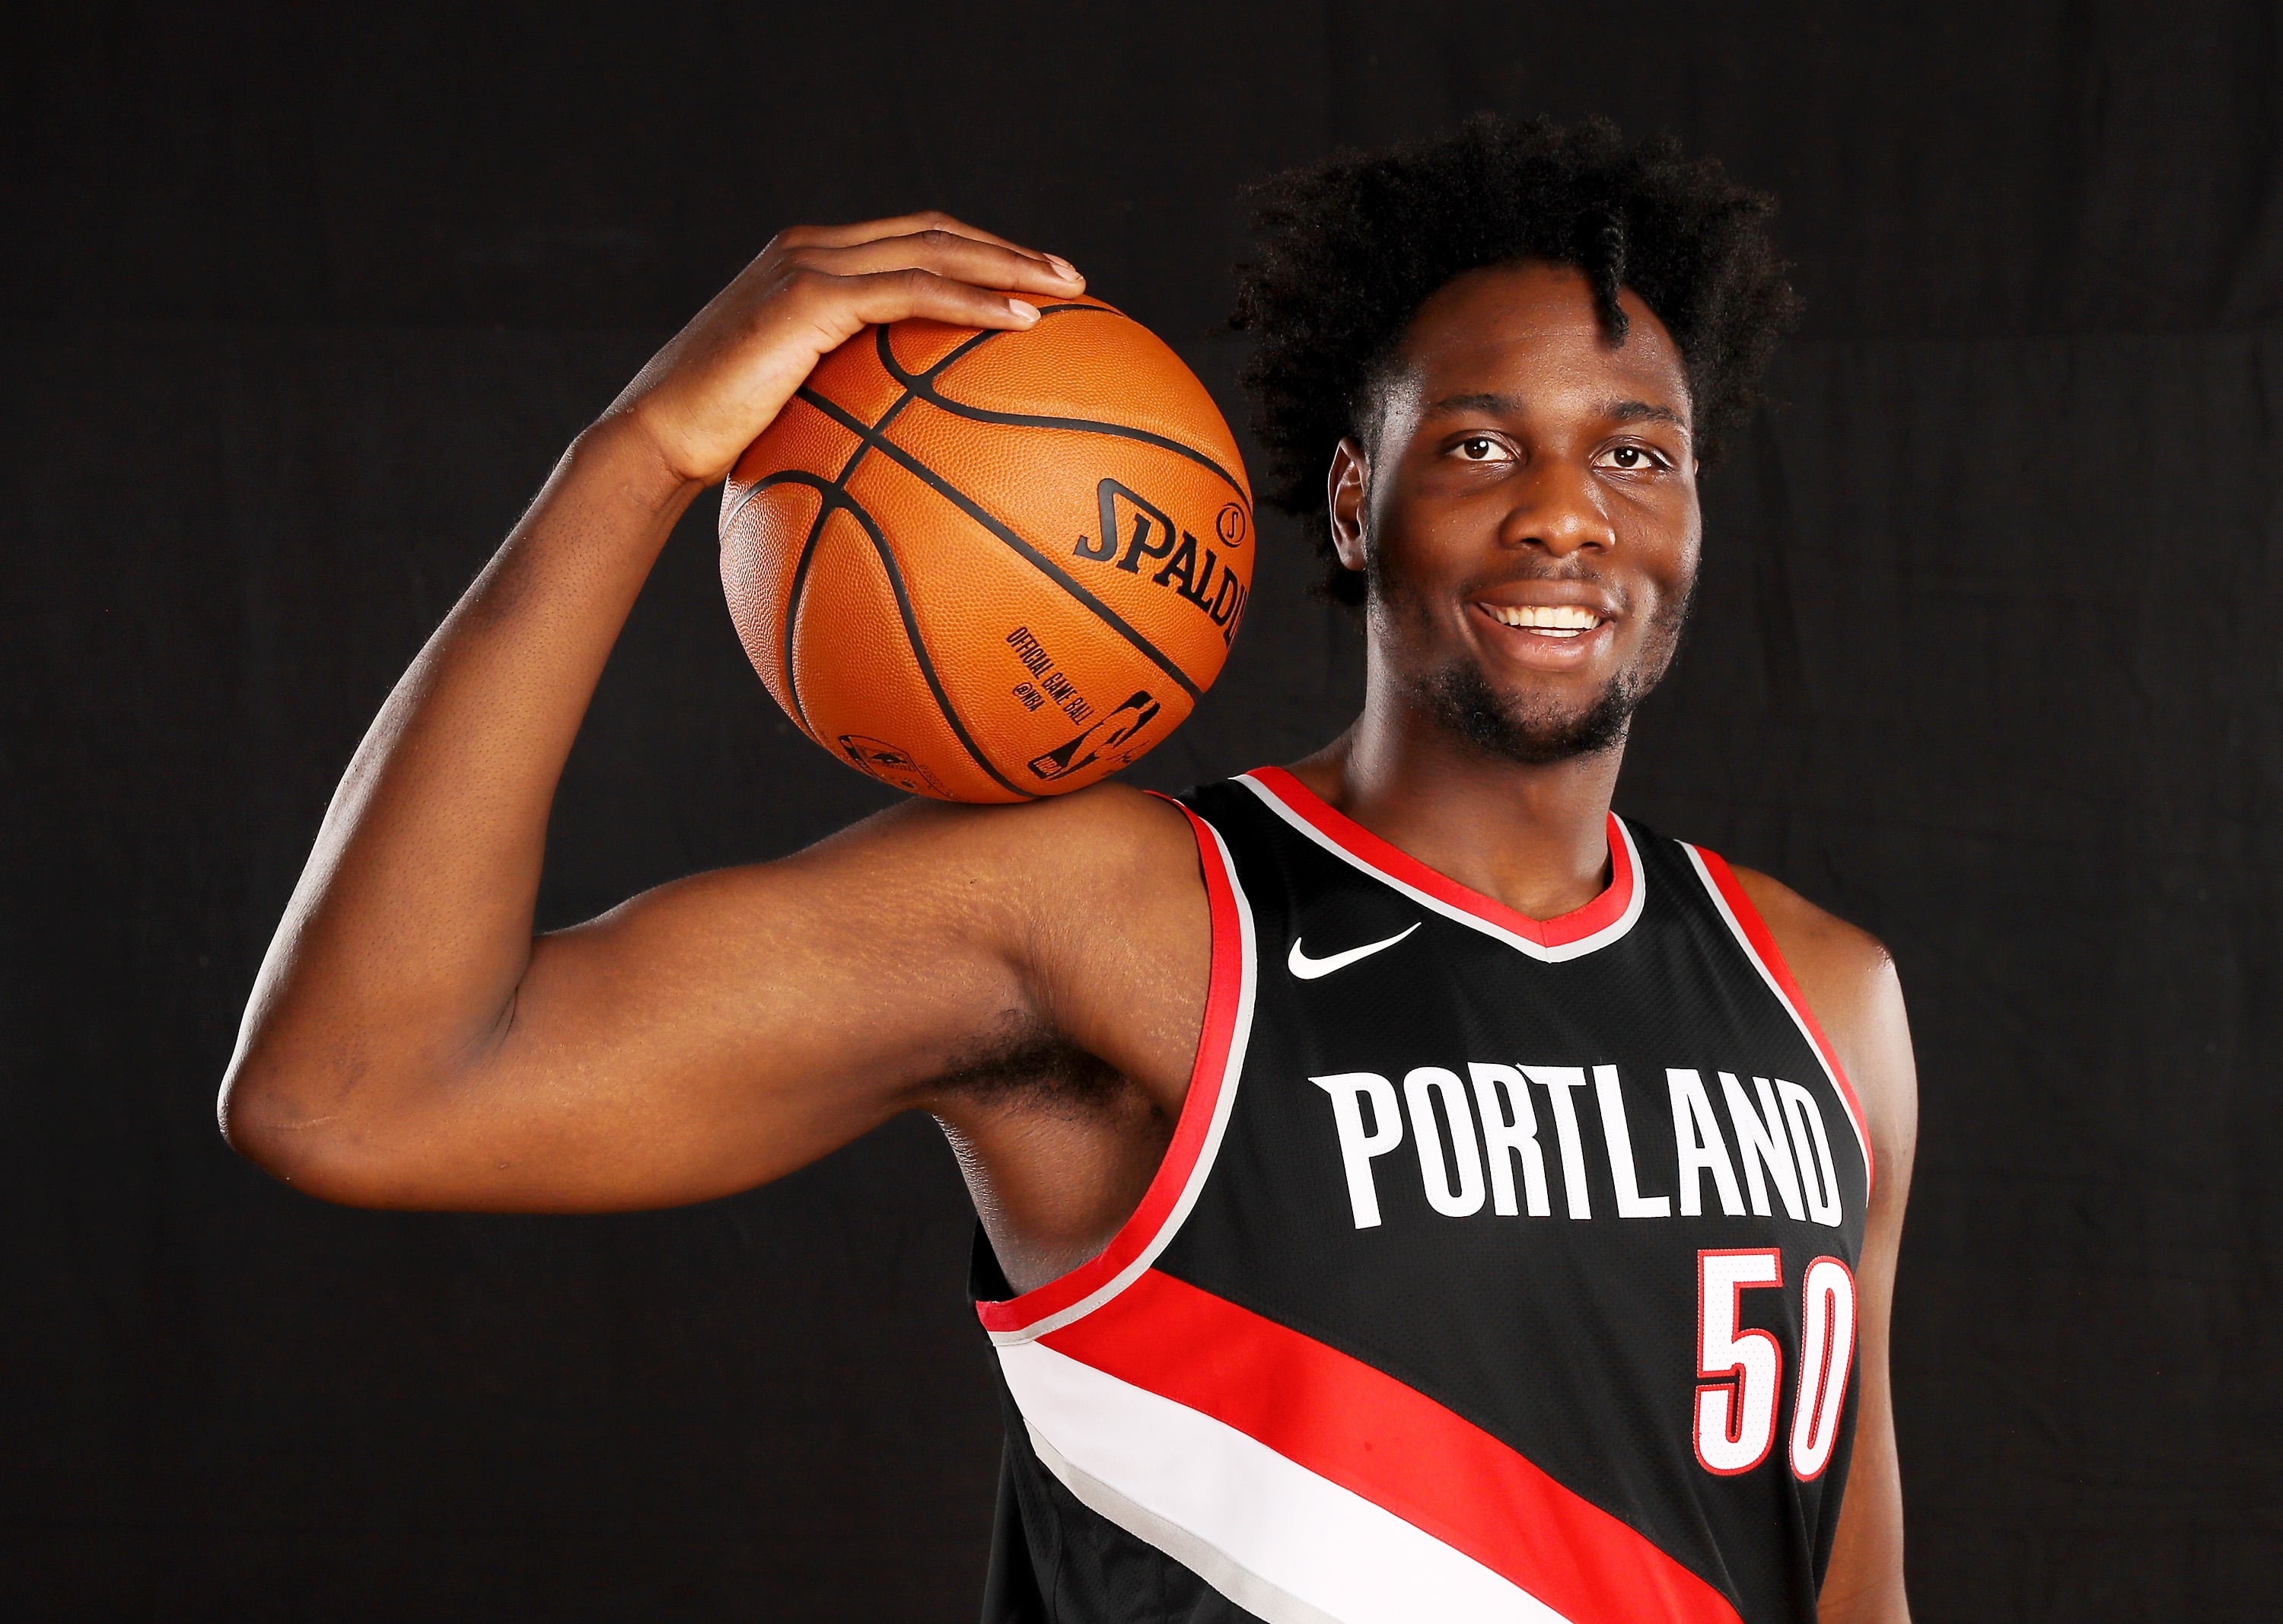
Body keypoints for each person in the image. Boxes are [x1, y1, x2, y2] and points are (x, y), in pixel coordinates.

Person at [221, 116, 1915, 1623]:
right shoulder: (1121, 917)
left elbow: (1846, 1581)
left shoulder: (1822, 994)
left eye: (1637, 451)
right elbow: (356, 1091)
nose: (1568, 514)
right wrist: (645, 453)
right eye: (1478, 444)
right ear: (1349, 502)